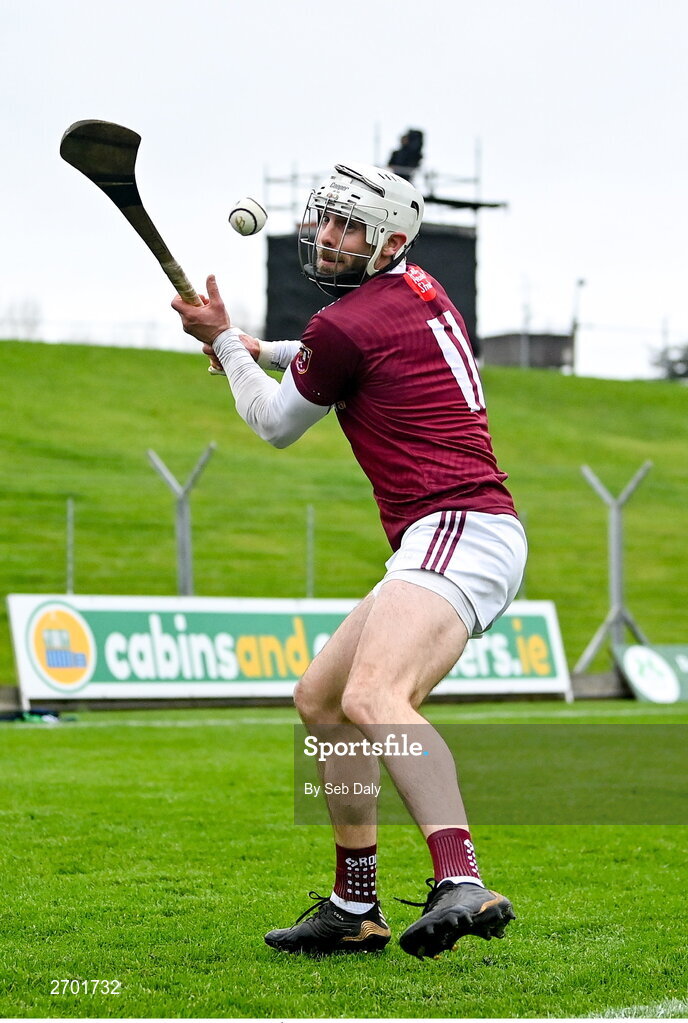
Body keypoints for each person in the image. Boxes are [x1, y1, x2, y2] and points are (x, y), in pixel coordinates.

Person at [172, 162, 527, 959]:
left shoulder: (345, 327)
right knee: (323, 699)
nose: (328, 238)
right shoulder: (417, 289)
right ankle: (352, 906)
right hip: (460, 530)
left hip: (458, 525)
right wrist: (265, 344)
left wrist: (228, 347)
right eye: (325, 220)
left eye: (349, 228)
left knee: (375, 694)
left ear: (389, 241)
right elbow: (345, 348)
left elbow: (273, 420)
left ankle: (461, 877)